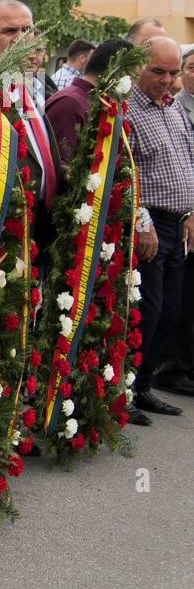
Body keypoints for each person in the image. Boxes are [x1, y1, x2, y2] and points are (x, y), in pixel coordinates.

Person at [127, 37, 194, 415]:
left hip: (179, 223)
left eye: (172, 73)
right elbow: (125, 171)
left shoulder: (173, 110)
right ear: (139, 66)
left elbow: (190, 159)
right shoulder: (126, 109)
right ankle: (126, 389)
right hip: (148, 224)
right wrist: (141, 222)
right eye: (158, 71)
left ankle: (145, 384)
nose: (167, 81)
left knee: (171, 309)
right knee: (146, 311)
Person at [0, 0, 62, 261]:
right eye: (10, 31)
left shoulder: (26, 84)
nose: (22, 38)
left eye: (27, 30)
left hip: (42, 228)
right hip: (5, 235)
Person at [43, 36, 131, 160]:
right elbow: (61, 165)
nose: (132, 85)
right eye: (131, 77)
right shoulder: (70, 103)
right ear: (117, 72)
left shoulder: (96, 100)